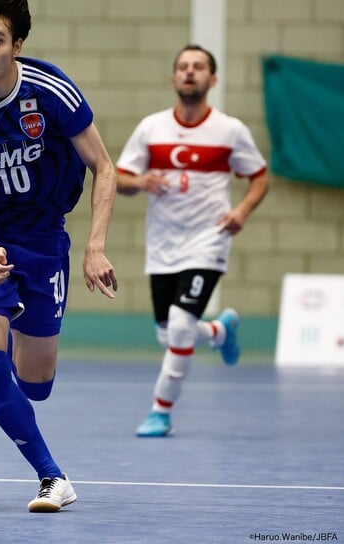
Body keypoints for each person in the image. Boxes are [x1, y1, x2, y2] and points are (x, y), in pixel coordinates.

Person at [0, 0, 118, 512]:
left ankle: (12, 322)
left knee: (35, 385)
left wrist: (95, 248)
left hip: (43, 239)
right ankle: (53, 477)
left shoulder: (52, 92)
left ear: (16, 44)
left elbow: (104, 167)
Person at [116, 44, 269, 438]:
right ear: (173, 78)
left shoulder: (230, 130)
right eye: (183, 66)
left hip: (208, 240)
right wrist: (141, 181)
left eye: (198, 67)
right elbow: (118, 179)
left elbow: (260, 177)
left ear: (212, 79)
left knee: (182, 328)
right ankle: (218, 332)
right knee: (167, 334)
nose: (189, 72)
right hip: (163, 245)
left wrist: (242, 211)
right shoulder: (151, 128)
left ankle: (160, 412)